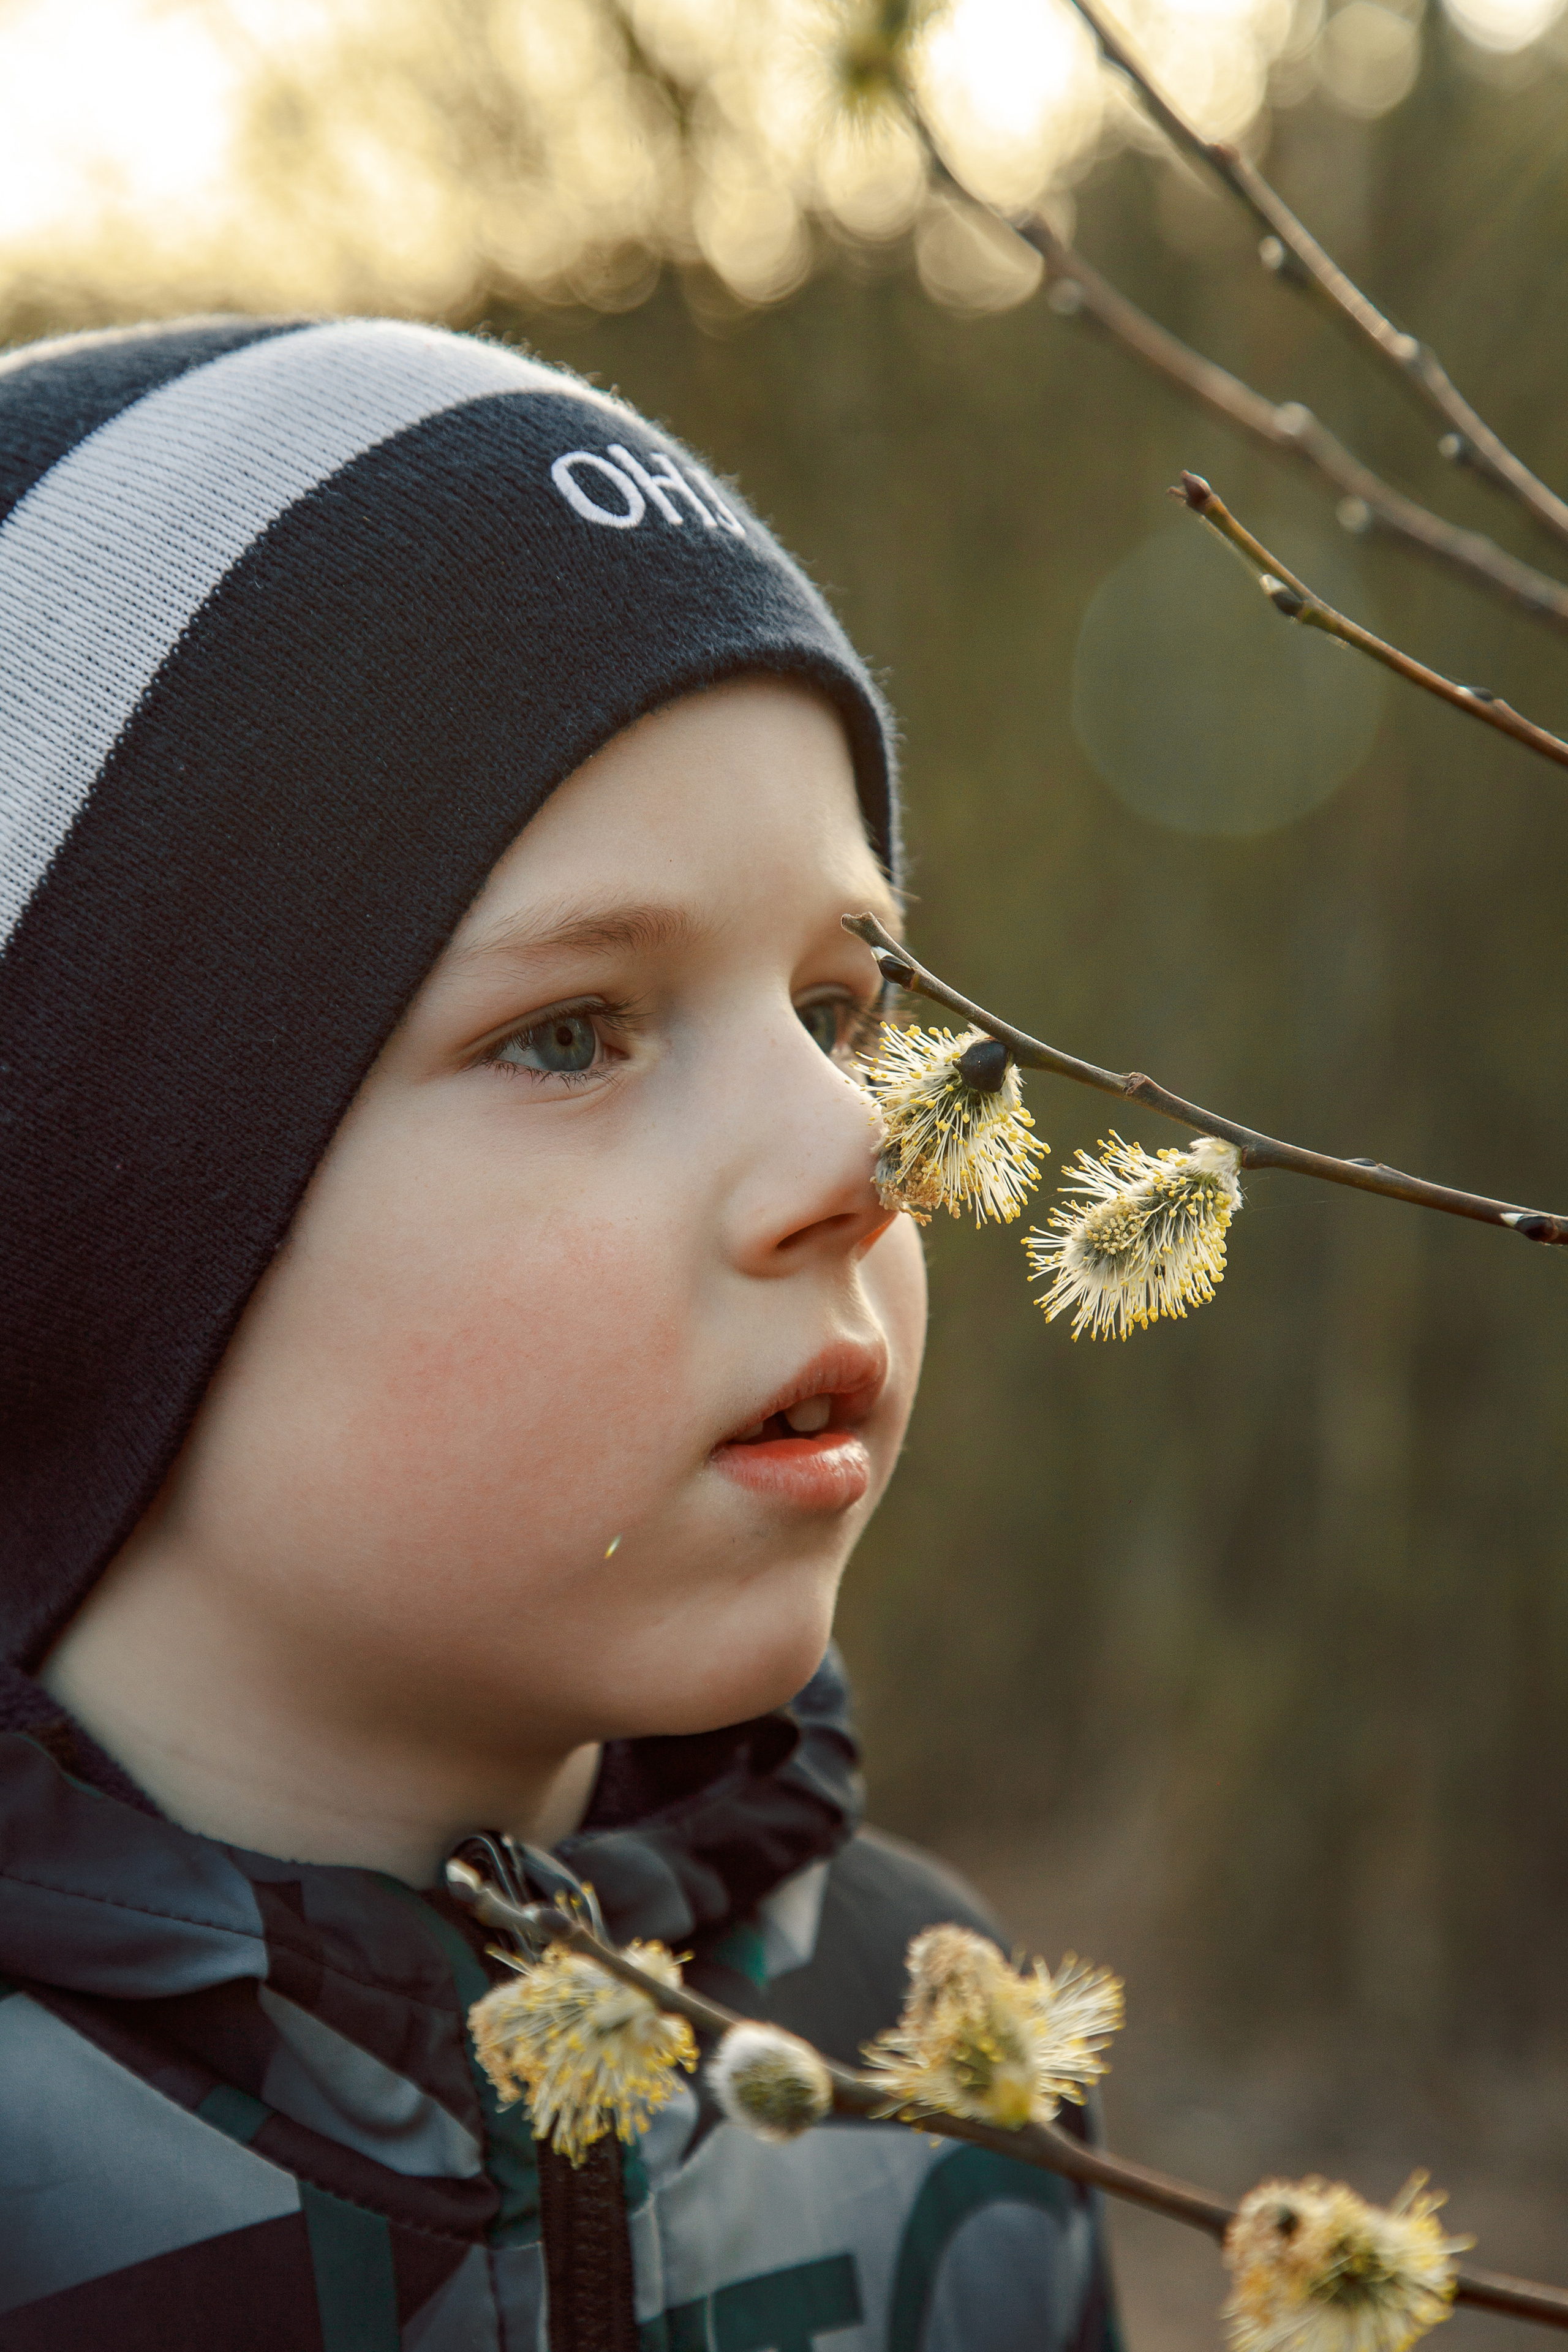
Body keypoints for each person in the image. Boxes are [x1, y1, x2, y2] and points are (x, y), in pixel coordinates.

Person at [0, 316, 1118, 2350]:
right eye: (573, 1035)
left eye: (843, 1006)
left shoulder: (938, 2065)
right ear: (97, 1220)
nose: (856, 1148)